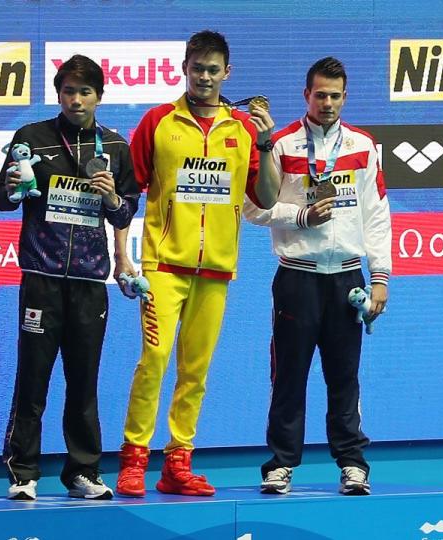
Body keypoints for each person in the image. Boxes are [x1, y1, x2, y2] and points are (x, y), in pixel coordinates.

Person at [113, 30, 278, 497]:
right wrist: (123, 255)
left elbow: (264, 198)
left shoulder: (243, 129)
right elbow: (129, 191)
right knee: (154, 360)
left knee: (195, 371)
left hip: (217, 271)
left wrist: (265, 145)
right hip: (163, 267)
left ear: (228, 72)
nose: (204, 77)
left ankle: (177, 463)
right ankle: (133, 460)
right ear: (184, 69)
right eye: (197, 68)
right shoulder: (158, 121)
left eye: (213, 69)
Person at [0, 54, 140, 501]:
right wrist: (16, 186)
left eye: (85, 91)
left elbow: (127, 210)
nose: (76, 100)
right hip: (41, 277)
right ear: (59, 94)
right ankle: (23, 472)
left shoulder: (114, 146)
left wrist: (114, 199)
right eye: (69, 91)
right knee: (32, 378)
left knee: (84, 380)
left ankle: (83, 471)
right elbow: (1, 199)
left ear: (99, 96)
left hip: (92, 282)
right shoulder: (32, 138)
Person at [244, 56, 391, 496]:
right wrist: (301, 216)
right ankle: (281, 464)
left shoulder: (364, 144)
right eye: (320, 94)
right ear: (305, 94)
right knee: (288, 374)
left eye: (335, 95)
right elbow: (254, 208)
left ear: (346, 97)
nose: (328, 103)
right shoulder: (282, 143)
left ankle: (352, 464)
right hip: (297, 277)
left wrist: (380, 277)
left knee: (344, 376)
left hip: (348, 279)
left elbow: (377, 215)